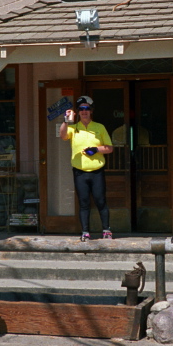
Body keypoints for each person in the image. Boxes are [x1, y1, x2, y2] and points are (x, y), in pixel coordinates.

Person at [59, 96, 114, 242]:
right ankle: (85, 232)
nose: (84, 111)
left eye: (87, 108)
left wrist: (96, 149)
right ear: (78, 112)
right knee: (84, 203)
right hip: (80, 172)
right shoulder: (73, 128)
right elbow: (63, 135)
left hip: (97, 171)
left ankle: (106, 230)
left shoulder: (99, 127)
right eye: (81, 109)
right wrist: (66, 120)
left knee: (100, 201)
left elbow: (109, 148)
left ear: (91, 111)